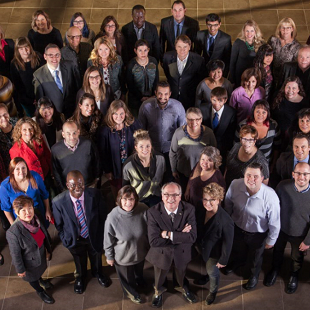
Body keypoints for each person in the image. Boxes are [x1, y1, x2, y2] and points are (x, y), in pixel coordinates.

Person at [224, 163, 280, 290]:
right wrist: (228, 222)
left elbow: (275, 222)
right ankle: (238, 262)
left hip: (258, 234)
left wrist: (271, 240)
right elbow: (228, 202)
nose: (251, 179)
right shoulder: (235, 184)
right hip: (238, 227)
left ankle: (253, 276)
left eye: (255, 176)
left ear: (262, 178)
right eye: (248, 175)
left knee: (255, 258)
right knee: (238, 249)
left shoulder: (271, 197)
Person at [52, 170, 110, 294]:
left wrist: (101, 234)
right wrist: (65, 239)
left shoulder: (95, 194)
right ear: (67, 185)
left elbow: (103, 216)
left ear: (85, 183)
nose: (77, 188)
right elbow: (59, 225)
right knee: (79, 260)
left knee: (96, 257)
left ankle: (98, 273)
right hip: (74, 239)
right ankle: (81, 277)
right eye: (73, 185)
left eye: (80, 184)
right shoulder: (58, 202)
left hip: (93, 235)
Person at [146, 182, 197, 307]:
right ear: (162, 196)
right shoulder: (153, 212)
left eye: (175, 194)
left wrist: (168, 234)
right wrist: (180, 234)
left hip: (182, 251)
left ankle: (182, 287)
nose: (171, 198)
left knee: (181, 273)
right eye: (167, 194)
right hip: (161, 252)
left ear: (180, 196)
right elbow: (154, 241)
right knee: (160, 276)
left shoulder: (189, 209)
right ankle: (158, 292)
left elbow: (192, 237)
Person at [264, 162, 310, 294]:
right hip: (281, 230)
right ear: (293, 174)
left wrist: (307, 241)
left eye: (305, 174)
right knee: (277, 251)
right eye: (299, 173)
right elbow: (274, 208)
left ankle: (293, 275)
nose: (302, 177)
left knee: (296, 257)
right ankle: (275, 269)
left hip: (300, 234)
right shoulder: (282, 186)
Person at [104, 186, 149, 304]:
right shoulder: (112, 217)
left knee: (139, 272)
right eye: (125, 199)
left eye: (132, 199)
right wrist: (109, 256)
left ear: (136, 200)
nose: (128, 203)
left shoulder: (143, 209)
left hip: (140, 252)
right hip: (123, 257)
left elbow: (152, 227)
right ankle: (131, 293)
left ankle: (139, 280)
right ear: (119, 199)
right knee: (128, 279)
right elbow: (108, 239)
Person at [6, 196, 54, 304]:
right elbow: (15, 254)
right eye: (23, 210)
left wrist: (47, 248)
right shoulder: (13, 232)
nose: (28, 212)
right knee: (32, 278)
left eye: (30, 208)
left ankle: (41, 279)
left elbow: (44, 233)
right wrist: (20, 269)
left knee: (39, 271)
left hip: (40, 253)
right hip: (28, 262)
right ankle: (40, 290)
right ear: (17, 213)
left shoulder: (36, 215)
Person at [138, 81, 186, 181]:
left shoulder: (178, 107)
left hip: (171, 150)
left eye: (165, 94)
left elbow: (183, 130)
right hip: (152, 149)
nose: (162, 97)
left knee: (170, 179)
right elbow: (141, 130)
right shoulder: (145, 106)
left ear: (170, 94)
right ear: (155, 92)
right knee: (153, 180)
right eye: (160, 93)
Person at [196, 183, 234, 305]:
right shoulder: (201, 209)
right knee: (207, 267)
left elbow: (228, 243)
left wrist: (223, 260)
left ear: (218, 200)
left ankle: (213, 292)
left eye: (212, 200)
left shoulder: (225, 220)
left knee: (213, 272)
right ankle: (206, 276)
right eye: (205, 199)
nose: (207, 203)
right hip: (202, 247)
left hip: (215, 253)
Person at [97, 100, 141, 196]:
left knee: (132, 191)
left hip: (131, 165)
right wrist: (107, 171)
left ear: (125, 113)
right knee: (118, 192)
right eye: (115, 114)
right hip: (115, 167)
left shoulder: (132, 125)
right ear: (111, 114)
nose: (119, 117)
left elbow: (141, 140)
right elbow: (103, 153)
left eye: (121, 113)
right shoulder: (105, 130)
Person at [170, 107, 217, 192]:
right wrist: (173, 170)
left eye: (197, 119)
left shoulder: (209, 133)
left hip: (203, 173)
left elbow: (215, 154)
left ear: (201, 119)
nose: (194, 122)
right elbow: (172, 153)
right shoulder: (178, 133)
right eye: (190, 119)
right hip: (183, 172)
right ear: (186, 120)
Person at [51, 120, 100, 192]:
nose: (72, 137)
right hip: (69, 189)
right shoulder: (55, 150)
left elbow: (97, 162)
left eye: (74, 133)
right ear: (63, 134)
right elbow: (56, 172)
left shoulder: (88, 144)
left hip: (88, 185)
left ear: (78, 132)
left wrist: (96, 180)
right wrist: (62, 189)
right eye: (68, 134)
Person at [33, 43, 80, 118]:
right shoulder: (38, 75)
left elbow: (78, 87)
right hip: (54, 115)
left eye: (57, 55)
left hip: (73, 111)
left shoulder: (70, 66)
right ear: (45, 56)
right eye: (51, 55)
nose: (54, 58)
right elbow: (41, 101)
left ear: (60, 56)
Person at [0, 157, 51, 226]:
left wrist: (48, 210)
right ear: (12, 171)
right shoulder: (5, 186)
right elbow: (6, 209)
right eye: (17, 169)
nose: (21, 171)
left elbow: (45, 195)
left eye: (23, 168)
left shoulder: (35, 176)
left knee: (43, 233)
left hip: (39, 213)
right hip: (21, 219)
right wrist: (13, 225)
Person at [122, 129, 165, 207]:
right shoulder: (129, 165)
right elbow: (125, 186)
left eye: (148, 146)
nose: (145, 149)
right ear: (136, 147)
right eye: (141, 146)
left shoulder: (160, 159)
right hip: (138, 198)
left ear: (151, 146)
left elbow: (165, 179)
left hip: (156, 195)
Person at [163, 35, 206, 109]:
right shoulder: (167, 57)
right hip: (172, 96)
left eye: (185, 47)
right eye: (179, 46)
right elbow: (167, 74)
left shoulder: (198, 60)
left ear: (189, 47)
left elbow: (200, 79)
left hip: (189, 97)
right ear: (175, 47)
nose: (182, 50)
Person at [235, 100, 281, 167]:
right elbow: (235, 147)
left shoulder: (273, 125)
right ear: (253, 111)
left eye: (264, 112)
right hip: (244, 165)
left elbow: (277, 147)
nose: (260, 115)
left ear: (268, 113)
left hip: (265, 165)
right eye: (257, 111)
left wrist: (273, 165)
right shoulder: (242, 125)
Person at [200, 87, 236, 171]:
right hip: (205, 146)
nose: (216, 104)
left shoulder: (231, 112)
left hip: (221, 148)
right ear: (210, 98)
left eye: (220, 101)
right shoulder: (202, 108)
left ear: (225, 100)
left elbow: (230, 134)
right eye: (214, 100)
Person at [10, 36, 44, 117]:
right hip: (27, 99)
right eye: (21, 49)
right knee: (32, 118)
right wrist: (30, 100)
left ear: (30, 46)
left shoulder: (38, 57)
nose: (25, 51)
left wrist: (40, 97)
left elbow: (44, 77)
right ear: (17, 50)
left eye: (26, 47)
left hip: (41, 95)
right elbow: (18, 85)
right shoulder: (14, 64)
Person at [10, 117, 51, 183]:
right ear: (19, 131)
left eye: (30, 128)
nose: (28, 132)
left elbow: (47, 155)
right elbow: (18, 172)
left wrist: (53, 172)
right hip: (32, 181)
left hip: (47, 175)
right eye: (24, 130)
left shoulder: (39, 138)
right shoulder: (15, 150)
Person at [126, 39, 159, 115]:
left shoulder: (153, 62)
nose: (143, 53)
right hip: (136, 100)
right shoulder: (131, 65)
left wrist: (153, 95)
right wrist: (141, 97)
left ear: (148, 50)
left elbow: (156, 80)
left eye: (145, 50)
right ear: (135, 50)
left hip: (152, 98)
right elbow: (130, 85)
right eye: (140, 50)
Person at [229, 20, 265, 87]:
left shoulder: (261, 43)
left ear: (255, 31)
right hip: (240, 76)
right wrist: (232, 80)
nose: (249, 34)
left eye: (252, 31)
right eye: (247, 31)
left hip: (254, 77)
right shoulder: (238, 43)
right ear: (244, 32)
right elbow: (232, 63)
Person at [195, 13, 231, 77]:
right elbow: (196, 54)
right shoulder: (200, 35)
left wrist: (223, 76)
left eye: (215, 25)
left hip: (217, 71)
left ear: (220, 24)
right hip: (204, 69)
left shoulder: (226, 39)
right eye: (209, 25)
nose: (212, 28)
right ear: (206, 24)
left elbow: (227, 60)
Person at [268, 17, 300, 86]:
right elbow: (266, 54)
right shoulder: (273, 40)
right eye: (283, 28)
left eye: (288, 28)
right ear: (279, 29)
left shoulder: (296, 46)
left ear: (292, 29)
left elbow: (294, 68)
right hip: (270, 74)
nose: (285, 30)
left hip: (285, 78)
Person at [0, 103, 17, 172]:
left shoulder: (17, 122)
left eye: (5, 114)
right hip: (10, 169)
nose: (3, 118)